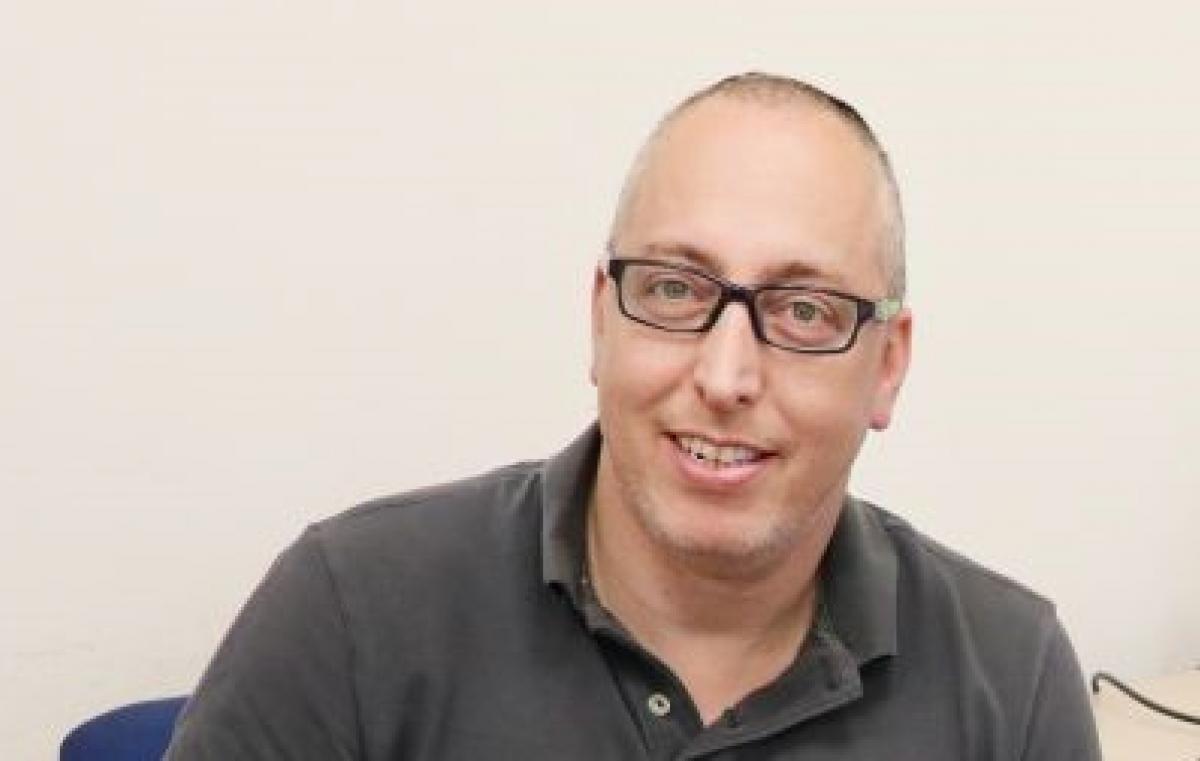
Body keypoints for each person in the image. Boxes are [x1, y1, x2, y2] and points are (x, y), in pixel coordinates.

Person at [165, 73, 1101, 760]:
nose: (725, 375)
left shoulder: (1010, 681)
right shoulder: (350, 615)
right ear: (601, 319)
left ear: (887, 366)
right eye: (674, 288)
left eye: (804, 310)